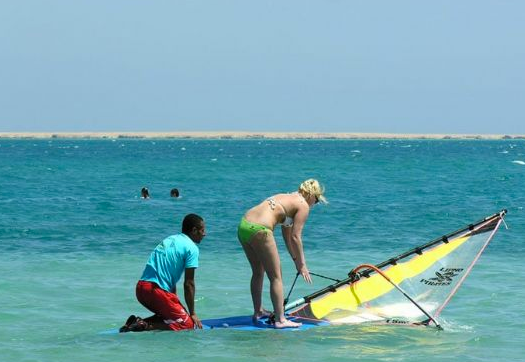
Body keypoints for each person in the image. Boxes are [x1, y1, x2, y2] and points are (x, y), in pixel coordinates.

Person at [237, 179, 326, 328]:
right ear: (311, 195)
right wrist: (302, 265)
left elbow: (288, 237)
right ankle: (280, 320)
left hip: (244, 226)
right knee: (276, 277)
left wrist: (296, 260)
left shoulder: (286, 197)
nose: (314, 204)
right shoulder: (303, 205)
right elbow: (296, 237)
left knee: (258, 272)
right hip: (260, 230)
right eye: (316, 200)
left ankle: (258, 311)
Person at [120, 213, 206, 332]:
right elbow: (189, 284)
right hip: (156, 292)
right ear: (194, 230)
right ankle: (144, 325)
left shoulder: (170, 239)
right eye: (202, 230)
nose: (204, 234)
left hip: (141, 289)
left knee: (168, 315)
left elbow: (169, 273)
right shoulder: (192, 248)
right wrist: (192, 313)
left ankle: (134, 323)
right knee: (187, 325)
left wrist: (175, 303)